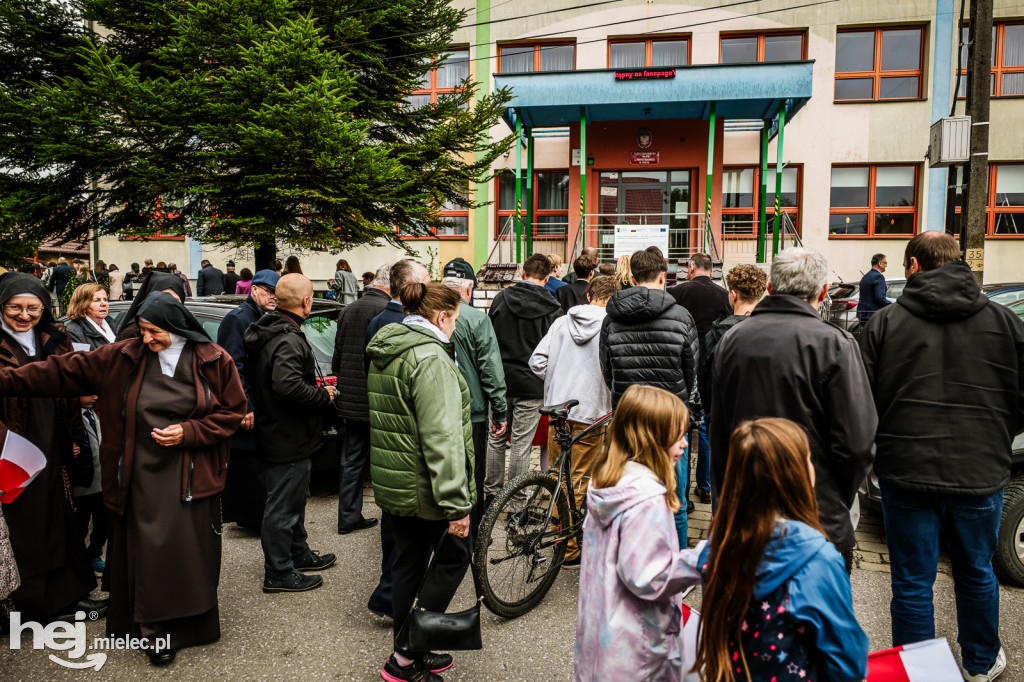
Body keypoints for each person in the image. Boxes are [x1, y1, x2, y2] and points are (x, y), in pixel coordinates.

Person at [0, 291, 246, 665]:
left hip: (190, 475)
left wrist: (189, 432)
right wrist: (7, 380)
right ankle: (155, 634)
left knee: (187, 556)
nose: (146, 339)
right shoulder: (122, 355)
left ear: (178, 327)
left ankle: (192, 625)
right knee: (149, 555)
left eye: (154, 332)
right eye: (142, 331)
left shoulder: (214, 360)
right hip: (136, 473)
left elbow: (232, 414)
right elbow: (60, 372)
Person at [859, 232, 1024, 682]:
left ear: (912, 265)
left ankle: (919, 671)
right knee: (976, 570)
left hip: (905, 470)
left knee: (913, 581)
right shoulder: (1005, 321)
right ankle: (980, 662)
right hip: (980, 469)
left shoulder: (884, 324)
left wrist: (880, 446)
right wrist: (997, 433)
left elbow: (862, 400)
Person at [710, 247, 876, 566]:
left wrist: (723, 506)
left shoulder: (731, 341)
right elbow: (858, 443)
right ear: (823, 292)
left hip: (745, 512)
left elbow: (720, 433)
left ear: (770, 289)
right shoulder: (836, 344)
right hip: (815, 518)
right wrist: (832, 496)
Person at [695, 418, 869, 682]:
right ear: (796, 476)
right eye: (809, 460)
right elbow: (848, 663)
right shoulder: (819, 560)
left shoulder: (719, 545)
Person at [365, 282, 474, 682]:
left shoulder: (389, 345)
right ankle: (406, 656)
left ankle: (414, 647)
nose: (455, 328)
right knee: (453, 557)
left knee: (408, 562)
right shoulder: (430, 357)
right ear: (441, 317)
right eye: (456, 320)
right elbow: (441, 435)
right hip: (427, 485)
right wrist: (456, 504)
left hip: (396, 481)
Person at [574, 384, 701, 681]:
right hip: (637, 649)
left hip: (603, 637)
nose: (684, 444)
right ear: (652, 439)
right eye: (678, 435)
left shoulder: (608, 484)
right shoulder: (647, 502)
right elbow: (649, 576)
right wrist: (702, 558)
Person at [0, 272, 100, 623]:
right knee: (25, 526)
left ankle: (68, 598)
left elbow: (71, 390)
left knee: (62, 518)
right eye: (15, 307)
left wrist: (74, 437)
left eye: (33, 308)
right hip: (12, 447)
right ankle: (27, 606)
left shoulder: (55, 336)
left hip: (53, 439)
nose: (24, 315)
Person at [244, 274, 337, 594]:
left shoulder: (273, 327)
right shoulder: (285, 336)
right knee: (283, 505)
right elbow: (287, 386)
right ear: (306, 301)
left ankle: (299, 553)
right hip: (287, 435)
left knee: (294, 499)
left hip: (283, 432)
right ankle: (279, 571)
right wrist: (322, 397)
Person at [600, 248, 699, 546]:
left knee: (628, 492)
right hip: (671, 418)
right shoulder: (682, 316)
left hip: (628, 416)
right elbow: (691, 369)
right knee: (674, 499)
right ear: (662, 276)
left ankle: (633, 557)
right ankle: (676, 569)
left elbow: (607, 370)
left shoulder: (611, 319)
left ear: (631, 277)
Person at [530, 275, 618, 566]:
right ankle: (569, 549)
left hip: (558, 410)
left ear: (590, 295)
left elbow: (536, 361)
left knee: (558, 478)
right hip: (591, 413)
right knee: (580, 482)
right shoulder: (611, 326)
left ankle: (559, 540)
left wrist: (557, 380)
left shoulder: (561, 322)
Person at [362, 259, 430, 616]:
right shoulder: (410, 327)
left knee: (395, 528)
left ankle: (391, 595)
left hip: (386, 435)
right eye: (427, 281)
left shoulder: (378, 323)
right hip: (405, 438)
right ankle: (394, 599)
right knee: (406, 534)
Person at [484, 254, 562, 505]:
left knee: (495, 437)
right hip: (532, 384)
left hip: (500, 380)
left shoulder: (501, 298)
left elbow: (489, 339)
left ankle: (492, 495)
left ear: (522, 272)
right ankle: (518, 500)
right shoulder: (553, 307)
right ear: (548, 277)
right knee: (521, 444)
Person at [442, 275, 507, 539]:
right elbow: (490, 368)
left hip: (439, 408)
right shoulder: (477, 318)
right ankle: (477, 531)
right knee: (474, 471)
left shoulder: (430, 315)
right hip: (473, 411)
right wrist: (500, 410)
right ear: (468, 289)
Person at [217, 270, 280, 530]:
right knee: (247, 464)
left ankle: (254, 516)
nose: (274, 297)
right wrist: (246, 408)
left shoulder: (265, 317)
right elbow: (234, 367)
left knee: (255, 465)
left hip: (261, 404)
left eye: (277, 292)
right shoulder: (238, 319)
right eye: (269, 291)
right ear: (254, 290)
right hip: (246, 405)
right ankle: (251, 518)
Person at [333, 264, 391, 537]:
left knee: (352, 460)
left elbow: (337, 356)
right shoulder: (386, 312)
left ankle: (348, 515)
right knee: (385, 461)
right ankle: (392, 514)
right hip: (376, 399)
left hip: (351, 400)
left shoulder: (348, 309)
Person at [72, 394, 107, 575]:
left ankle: (94, 555)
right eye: (88, 393)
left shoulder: (97, 413)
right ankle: (78, 564)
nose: (95, 397)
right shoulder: (70, 417)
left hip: (102, 482)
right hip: (82, 483)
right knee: (81, 526)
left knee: (103, 523)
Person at [366, 260, 430, 344]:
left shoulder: (376, 321)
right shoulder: (414, 323)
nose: (429, 290)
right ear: (412, 286)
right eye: (426, 283)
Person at [114, 271, 187, 340]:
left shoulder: (185, 330)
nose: (170, 305)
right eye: (163, 299)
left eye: (175, 300)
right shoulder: (132, 333)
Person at [64, 284, 116, 350]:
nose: (104, 304)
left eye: (105, 299)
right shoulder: (73, 332)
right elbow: (82, 359)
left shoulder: (114, 323)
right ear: (83, 305)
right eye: (97, 300)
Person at [856, 253, 890, 324]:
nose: (886, 265)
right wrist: (892, 305)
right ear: (880, 263)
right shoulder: (878, 277)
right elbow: (880, 298)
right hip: (873, 315)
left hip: (863, 314)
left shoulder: (866, 276)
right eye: (885, 263)